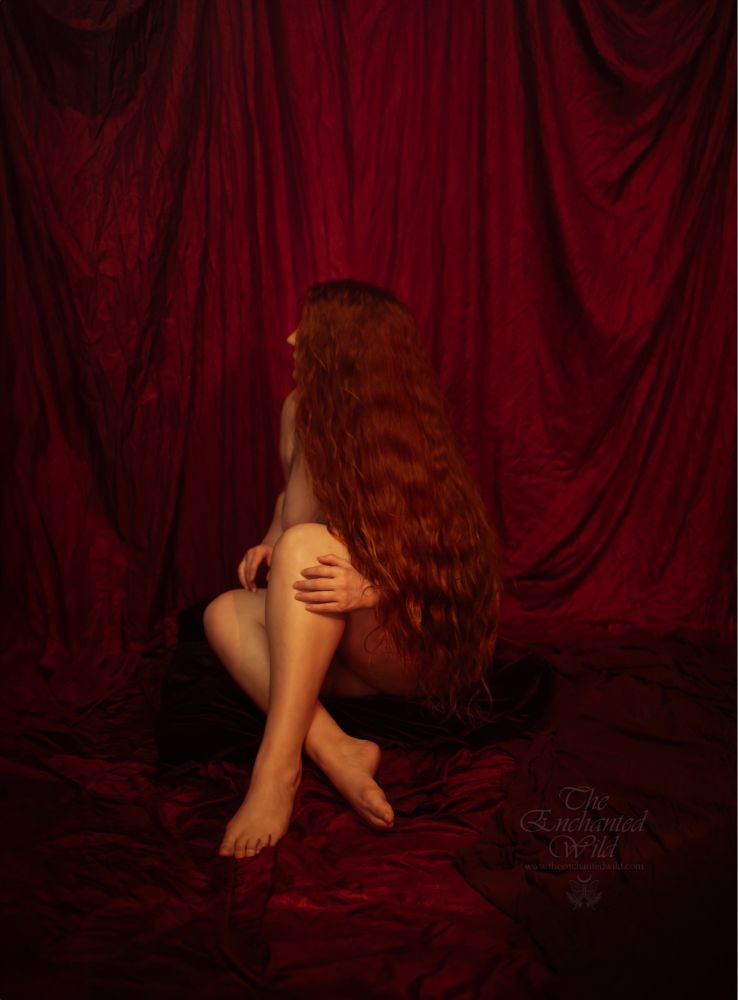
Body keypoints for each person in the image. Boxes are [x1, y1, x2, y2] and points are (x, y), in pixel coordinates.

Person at [203, 279, 502, 860]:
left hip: (407, 636)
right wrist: (268, 543)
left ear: (341, 350)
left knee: (306, 546)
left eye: (306, 331)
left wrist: (374, 584)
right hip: (341, 634)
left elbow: (462, 574)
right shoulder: (300, 411)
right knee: (223, 613)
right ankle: (336, 747)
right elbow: (288, 507)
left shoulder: (398, 428)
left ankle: (277, 769)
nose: (290, 339)